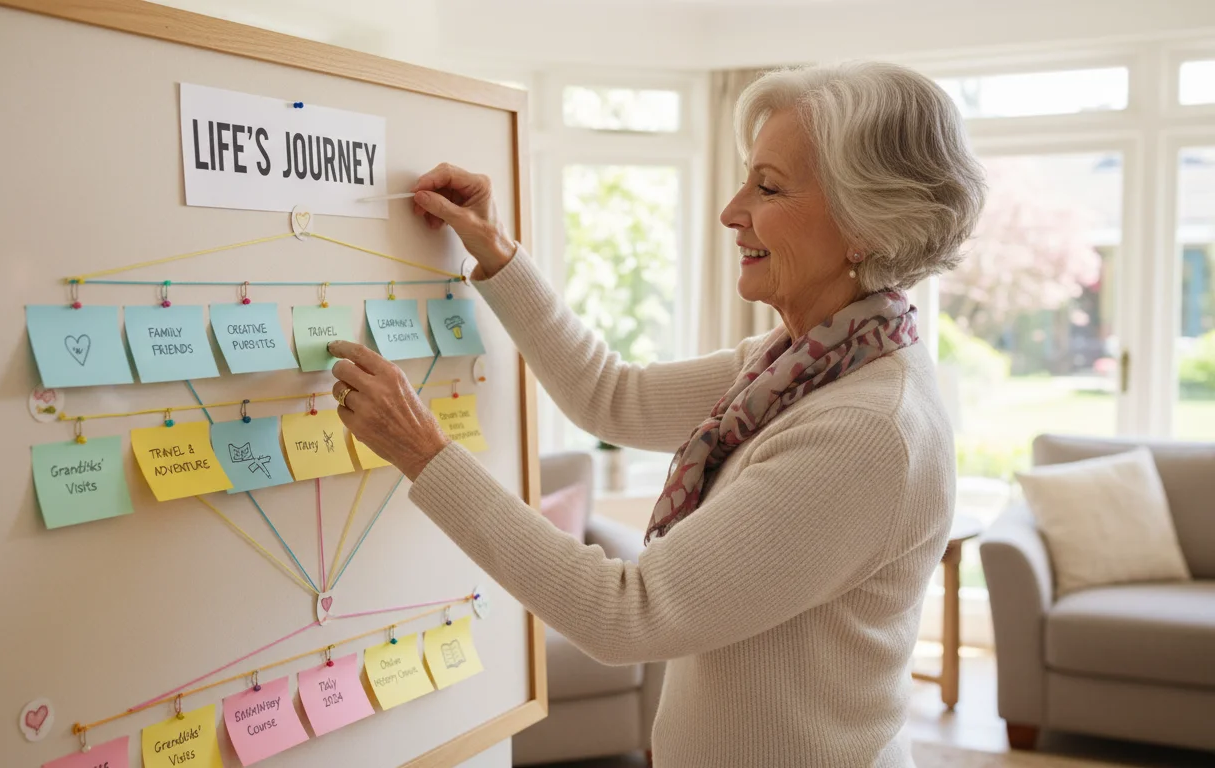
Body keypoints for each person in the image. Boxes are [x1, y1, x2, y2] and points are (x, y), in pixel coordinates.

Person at [327, 61, 986, 767]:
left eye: (766, 187)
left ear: (864, 223)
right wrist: (496, 250)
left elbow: (627, 614)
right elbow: (612, 396)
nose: (732, 211)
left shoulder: (864, 431)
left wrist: (426, 453)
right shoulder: (802, 363)